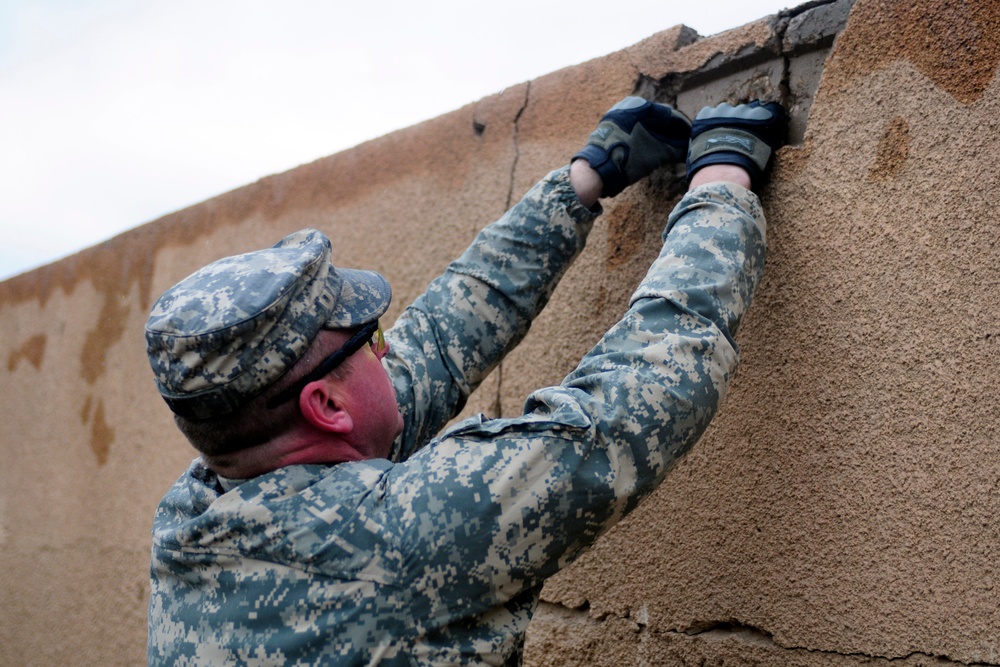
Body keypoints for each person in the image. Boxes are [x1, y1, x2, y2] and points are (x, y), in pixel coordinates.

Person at [145, 96, 786, 666]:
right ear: (326, 405)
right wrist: (721, 183)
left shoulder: (191, 512)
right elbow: (643, 393)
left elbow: (437, 345)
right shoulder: (402, 535)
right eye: (372, 341)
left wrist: (581, 182)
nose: (388, 350)